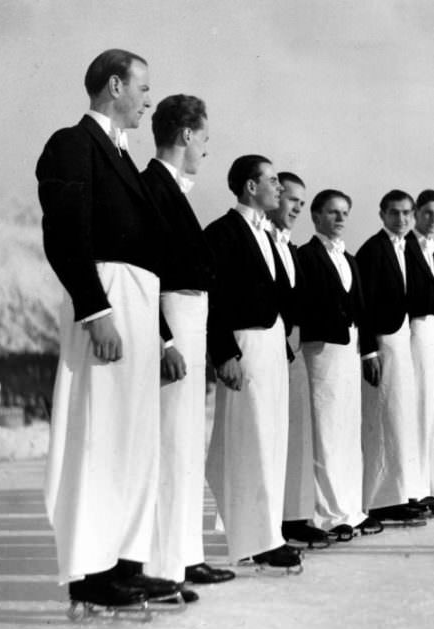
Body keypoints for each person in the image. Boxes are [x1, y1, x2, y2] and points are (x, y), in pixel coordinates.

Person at [39, 49, 179, 607]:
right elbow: (66, 233)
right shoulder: (72, 144)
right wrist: (96, 312)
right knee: (99, 437)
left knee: (131, 439)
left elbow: (146, 252)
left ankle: (125, 562)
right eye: (144, 88)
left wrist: (162, 334)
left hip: (139, 304)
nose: (148, 99)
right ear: (115, 85)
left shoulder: (121, 156)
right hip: (108, 300)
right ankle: (92, 574)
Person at [140, 94, 235, 594]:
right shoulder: (151, 187)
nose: (205, 149)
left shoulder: (173, 190)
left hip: (191, 323)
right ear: (185, 136)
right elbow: (143, 275)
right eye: (203, 138)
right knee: (169, 444)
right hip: (174, 324)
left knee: (185, 446)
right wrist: (164, 339)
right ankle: (161, 563)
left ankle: (184, 553)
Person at [204, 155, 301, 570]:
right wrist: (224, 352)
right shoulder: (223, 233)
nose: (279, 189)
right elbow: (214, 297)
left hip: (272, 345)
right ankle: (256, 540)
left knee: (272, 437)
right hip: (245, 344)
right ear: (249, 186)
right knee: (251, 439)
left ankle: (267, 533)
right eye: (272, 181)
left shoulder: (268, 234)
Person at [297, 189, 381, 539]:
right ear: (316, 217)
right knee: (326, 432)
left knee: (348, 432)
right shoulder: (304, 256)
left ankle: (351, 509)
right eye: (333, 212)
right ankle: (327, 514)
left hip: (349, 353)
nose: (340, 218)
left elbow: (363, 308)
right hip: (321, 352)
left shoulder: (351, 259)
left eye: (344, 212)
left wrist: (369, 352)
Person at [266, 172, 330, 549]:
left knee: (297, 435)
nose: (296, 209)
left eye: (301, 204)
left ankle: (295, 517)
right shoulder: (263, 240)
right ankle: (272, 520)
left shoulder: (290, 247)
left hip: (294, 350)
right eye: (291, 199)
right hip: (268, 346)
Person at [356, 190, 425, 524]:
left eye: (407, 214)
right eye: (395, 213)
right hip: (382, 343)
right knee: (384, 419)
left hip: (403, 340)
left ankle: (400, 493)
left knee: (400, 420)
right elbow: (363, 305)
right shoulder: (372, 250)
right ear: (382, 214)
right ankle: (383, 500)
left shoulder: (408, 247)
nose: (402, 220)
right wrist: (368, 350)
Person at [404, 190, 434, 514]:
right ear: (417, 213)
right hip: (416, 331)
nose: (433, 220)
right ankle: (414, 488)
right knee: (418, 411)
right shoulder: (406, 246)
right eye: (428, 213)